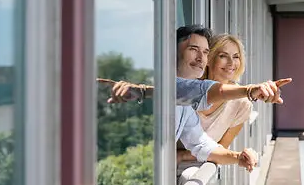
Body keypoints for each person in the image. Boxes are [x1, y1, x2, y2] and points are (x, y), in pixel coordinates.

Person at [98, 25, 291, 171]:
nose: (200, 58)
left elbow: (201, 144)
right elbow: (200, 91)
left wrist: (239, 157)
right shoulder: (173, 88)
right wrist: (250, 91)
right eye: (193, 49)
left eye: (205, 52)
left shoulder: (184, 105)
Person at [177, 34, 251, 163]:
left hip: (199, 171)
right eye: (223, 56)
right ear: (208, 59)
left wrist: (181, 156)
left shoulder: (241, 104)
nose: (231, 63)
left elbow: (221, 148)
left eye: (236, 57)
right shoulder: (187, 89)